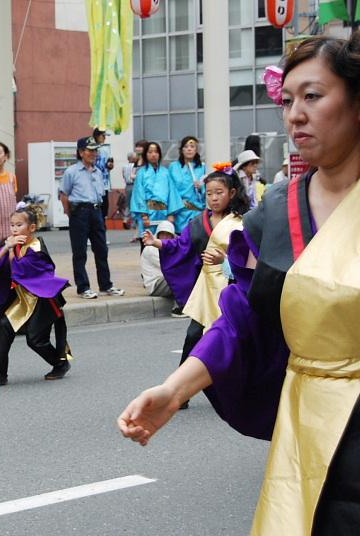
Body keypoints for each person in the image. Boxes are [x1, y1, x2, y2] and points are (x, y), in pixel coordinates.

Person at [118, 32, 360, 534]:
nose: (295, 114)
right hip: (305, 422)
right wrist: (172, 389)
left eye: (313, 96)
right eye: (288, 100)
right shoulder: (275, 212)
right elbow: (240, 319)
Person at [143, 164, 250, 408]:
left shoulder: (241, 222)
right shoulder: (198, 222)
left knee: (235, 340)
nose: (213, 198)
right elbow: (181, 246)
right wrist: (157, 243)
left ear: (232, 193)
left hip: (233, 289)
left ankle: (243, 389)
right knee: (193, 336)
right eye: (210, 193)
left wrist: (226, 261)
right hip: (206, 289)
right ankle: (179, 392)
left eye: (219, 192)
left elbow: (251, 255)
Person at [0, 208, 72, 388]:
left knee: (35, 340)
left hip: (43, 299)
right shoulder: (15, 245)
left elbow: (21, 270)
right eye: (12, 225)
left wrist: (9, 251)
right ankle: (0, 374)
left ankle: (60, 363)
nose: (14, 229)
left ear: (32, 227)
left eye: (19, 225)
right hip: (24, 299)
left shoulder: (36, 248)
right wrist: (7, 247)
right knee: (4, 326)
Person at [60, 136, 125, 299]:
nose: (94, 153)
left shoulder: (98, 171)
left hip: (96, 212)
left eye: (95, 150)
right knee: (80, 251)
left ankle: (106, 285)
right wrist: (71, 214)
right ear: (81, 152)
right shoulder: (71, 172)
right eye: (90, 150)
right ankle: (83, 287)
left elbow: (101, 194)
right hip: (79, 213)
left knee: (101, 249)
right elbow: (64, 195)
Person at [130, 141, 183, 241]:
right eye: (150, 152)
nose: (153, 155)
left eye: (156, 152)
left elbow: (172, 194)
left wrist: (171, 214)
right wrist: (144, 215)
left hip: (164, 213)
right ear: (145, 154)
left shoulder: (166, 172)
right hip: (148, 213)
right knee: (147, 243)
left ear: (159, 154)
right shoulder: (141, 173)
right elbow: (138, 194)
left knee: (164, 244)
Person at [168, 136, 206, 233]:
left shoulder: (202, 167)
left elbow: (209, 188)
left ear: (196, 150)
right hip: (179, 210)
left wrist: (201, 187)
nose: (189, 149)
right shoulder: (173, 167)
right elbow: (170, 190)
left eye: (192, 146)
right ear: (181, 150)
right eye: (186, 146)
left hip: (197, 210)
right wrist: (171, 212)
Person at [139, 220, 175, 298]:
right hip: (155, 284)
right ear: (158, 235)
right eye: (162, 234)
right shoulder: (151, 249)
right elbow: (170, 267)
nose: (165, 237)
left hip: (166, 280)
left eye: (168, 235)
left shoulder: (170, 247)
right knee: (182, 279)